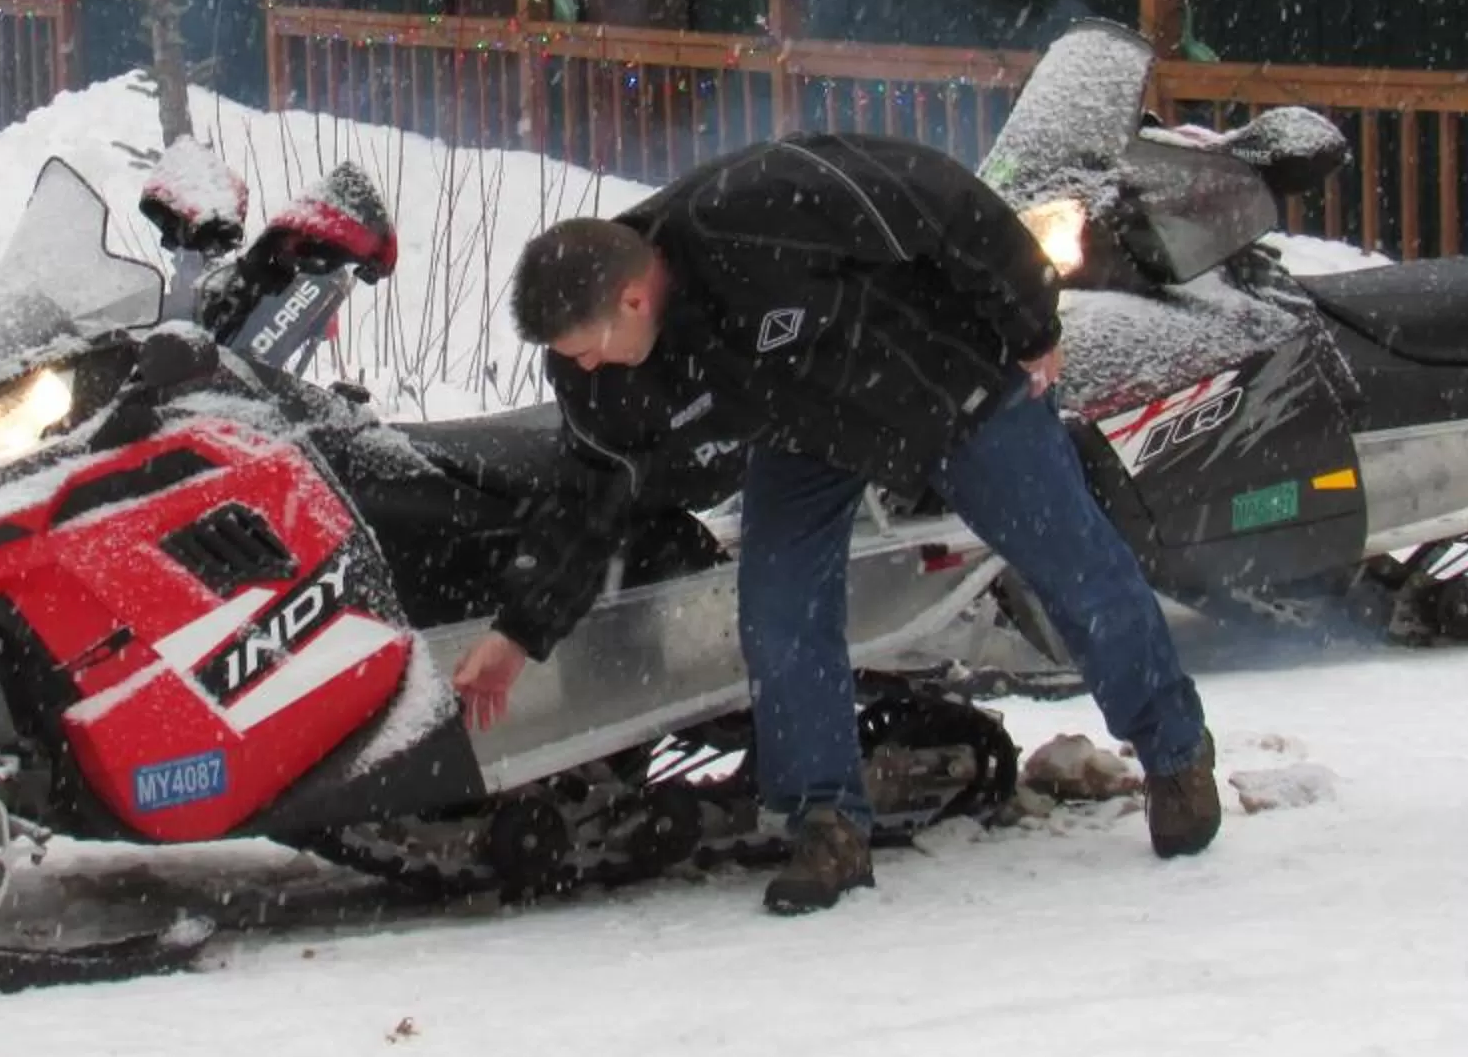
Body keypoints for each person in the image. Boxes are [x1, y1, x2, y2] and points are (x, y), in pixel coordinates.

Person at [452, 131, 1220, 913]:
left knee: (1072, 565)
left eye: (589, 352)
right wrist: (520, 630)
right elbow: (589, 496)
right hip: (809, 433)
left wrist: (1033, 324)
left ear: (634, 298)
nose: (580, 372)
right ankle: (826, 822)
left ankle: (1175, 751)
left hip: (954, 384)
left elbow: (945, 201)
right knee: (780, 611)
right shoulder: (597, 374)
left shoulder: (755, 208)